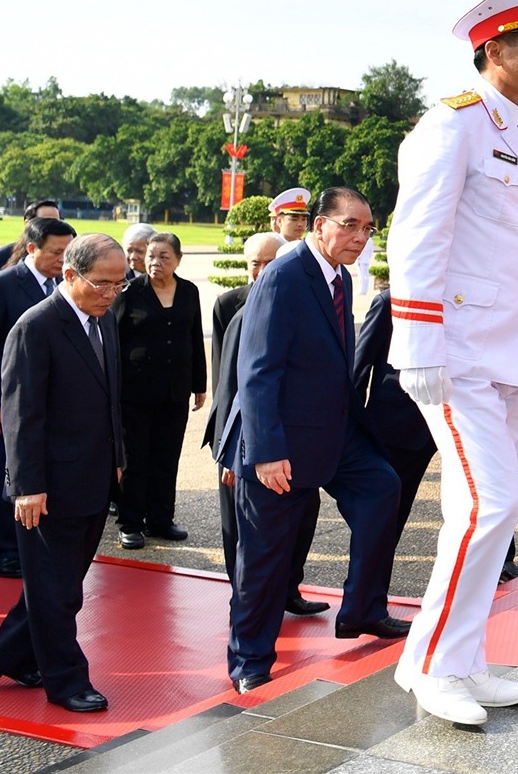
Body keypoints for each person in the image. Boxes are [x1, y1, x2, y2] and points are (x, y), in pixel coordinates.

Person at [388, 0, 518, 726]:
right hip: (456, 354)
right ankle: (436, 665)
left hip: (505, 357)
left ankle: (453, 660)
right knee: (489, 505)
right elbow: (418, 237)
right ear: (494, 49)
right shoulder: (454, 124)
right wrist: (418, 342)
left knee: (488, 514)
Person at [221, 188, 402, 694]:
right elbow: (256, 370)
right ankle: (249, 660)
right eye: (350, 225)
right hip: (279, 440)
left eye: (367, 229)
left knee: (382, 487)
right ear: (320, 225)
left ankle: (362, 609)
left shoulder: (338, 275)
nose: (360, 238)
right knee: (264, 556)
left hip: (331, 431)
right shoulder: (282, 276)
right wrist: (264, 451)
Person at [0, 233, 126, 714]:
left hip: (93, 477)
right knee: (59, 592)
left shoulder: (104, 320)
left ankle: (13, 655)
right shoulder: (36, 327)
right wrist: (27, 488)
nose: (110, 293)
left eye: (119, 284)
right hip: (47, 487)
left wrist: (118, 458)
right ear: (70, 274)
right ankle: (65, 681)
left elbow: (110, 397)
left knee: (55, 584)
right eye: (102, 284)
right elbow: (22, 415)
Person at [204, 232, 324, 612]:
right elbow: (228, 383)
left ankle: (288, 590)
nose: (261, 270)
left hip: (293, 439)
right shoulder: (237, 307)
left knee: (301, 518)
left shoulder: (301, 298)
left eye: (269, 262)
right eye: (253, 263)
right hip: (244, 441)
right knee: (246, 533)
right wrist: (229, 452)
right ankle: (245, 603)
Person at [0, 218, 76, 578]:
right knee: (5, 476)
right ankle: (3, 550)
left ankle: (35, 548)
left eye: (68, 252)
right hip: (6, 406)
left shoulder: (65, 286)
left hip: (51, 405)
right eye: (56, 252)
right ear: (32, 248)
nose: (64, 260)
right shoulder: (1, 286)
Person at [112, 232, 206, 549]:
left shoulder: (189, 291)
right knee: (136, 459)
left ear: (178, 260)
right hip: (134, 392)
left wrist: (200, 385)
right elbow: (113, 342)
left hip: (174, 391)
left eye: (163, 256)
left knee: (167, 457)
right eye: (151, 255)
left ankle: (161, 519)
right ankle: (131, 522)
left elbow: (195, 339)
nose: (155, 262)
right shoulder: (129, 292)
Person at [351, 276, 437, 588]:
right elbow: (359, 369)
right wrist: (353, 431)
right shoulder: (388, 301)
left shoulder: (460, 297)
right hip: (398, 423)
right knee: (387, 514)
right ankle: (368, 598)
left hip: (451, 415)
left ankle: (501, 563)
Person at [0, 201, 61, 281]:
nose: (52, 227)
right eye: (45, 221)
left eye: (56, 222)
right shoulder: (1, 256)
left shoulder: (65, 257)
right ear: (27, 224)